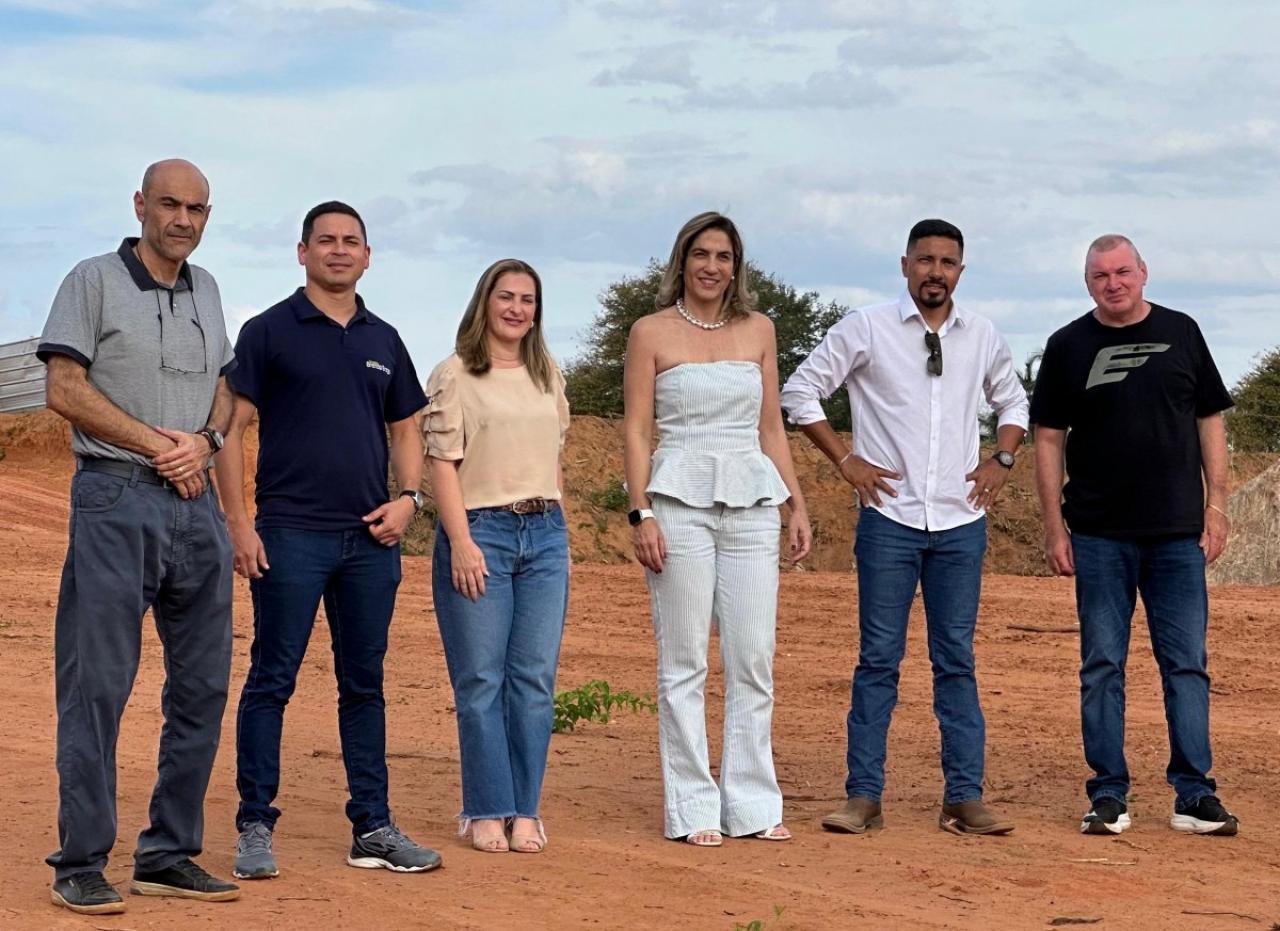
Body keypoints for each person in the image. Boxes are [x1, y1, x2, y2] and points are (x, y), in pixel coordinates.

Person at [38, 159, 240, 914]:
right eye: (169, 204)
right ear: (140, 205)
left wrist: (206, 443)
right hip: (115, 496)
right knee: (97, 683)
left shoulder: (208, 288)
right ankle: (81, 861)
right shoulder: (92, 280)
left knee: (203, 685)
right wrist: (160, 446)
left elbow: (228, 385)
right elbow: (64, 388)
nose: (182, 219)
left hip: (197, 504)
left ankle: (168, 854)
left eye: (196, 208)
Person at [781, 219, 1028, 837]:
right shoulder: (866, 327)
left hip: (960, 520)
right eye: (925, 260)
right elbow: (800, 392)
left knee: (956, 660)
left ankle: (963, 798)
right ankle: (863, 797)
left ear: (960, 271)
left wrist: (1000, 459)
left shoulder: (982, 334)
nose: (935, 272)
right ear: (904, 265)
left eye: (947, 262)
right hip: (888, 518)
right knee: (878, 660)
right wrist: (845, 459)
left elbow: (1014, 401)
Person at [221, 201, 440, 878]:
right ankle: (255, 825)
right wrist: (239, 524)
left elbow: (406, 428)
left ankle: (371, 826)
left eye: (351, 241)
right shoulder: (268, 331)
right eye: (326, 240)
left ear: (368, 256)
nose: (339, 250)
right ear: (303, 252)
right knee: (272, 679)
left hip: (371, 540)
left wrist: (409, 500)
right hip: (290, 534)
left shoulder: (385, 339)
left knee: (364, 684)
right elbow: (230, 428)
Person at [1032, 234, 1238, 837]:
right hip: (1098, 534)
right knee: (1102, 665)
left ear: (1143, 272)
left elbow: (1208, 419)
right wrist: (1054, 526)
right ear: (1087, 282)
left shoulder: (1182, 332)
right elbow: (1048, 437)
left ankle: (1194, 795)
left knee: (1186, 666)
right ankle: (1108, 794)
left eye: (1122, 271)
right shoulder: (1068, 346)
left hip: (1177, 534)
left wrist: (1217, 505)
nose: (1113, 283)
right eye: (1100, 275)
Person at [623, 211, 812, 847]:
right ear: (682, 261)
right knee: (684, 661)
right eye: (701, 254)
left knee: (752, 657)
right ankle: (693, 807)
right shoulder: (650, 331)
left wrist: (796, 505)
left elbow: (770, 427)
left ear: (736, 267)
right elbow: (636, 431)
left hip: (752, 500)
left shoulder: (760, 329)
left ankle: (753, 804)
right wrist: (642, 512)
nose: (711, 266)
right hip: (677, 500)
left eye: (723, 256)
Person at [424, 258, 571, 854]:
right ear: (485, 302)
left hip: (546, 534)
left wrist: (561, 527)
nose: (516, 308)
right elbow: (442, 464)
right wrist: (460, 541)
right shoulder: (455, 374)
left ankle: (526, 810)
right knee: (481, 679)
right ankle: (486, 808)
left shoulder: (548, 374)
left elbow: (554, 455)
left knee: (534, 680)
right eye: (506, 296)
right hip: (481, 532)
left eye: (527, 300)